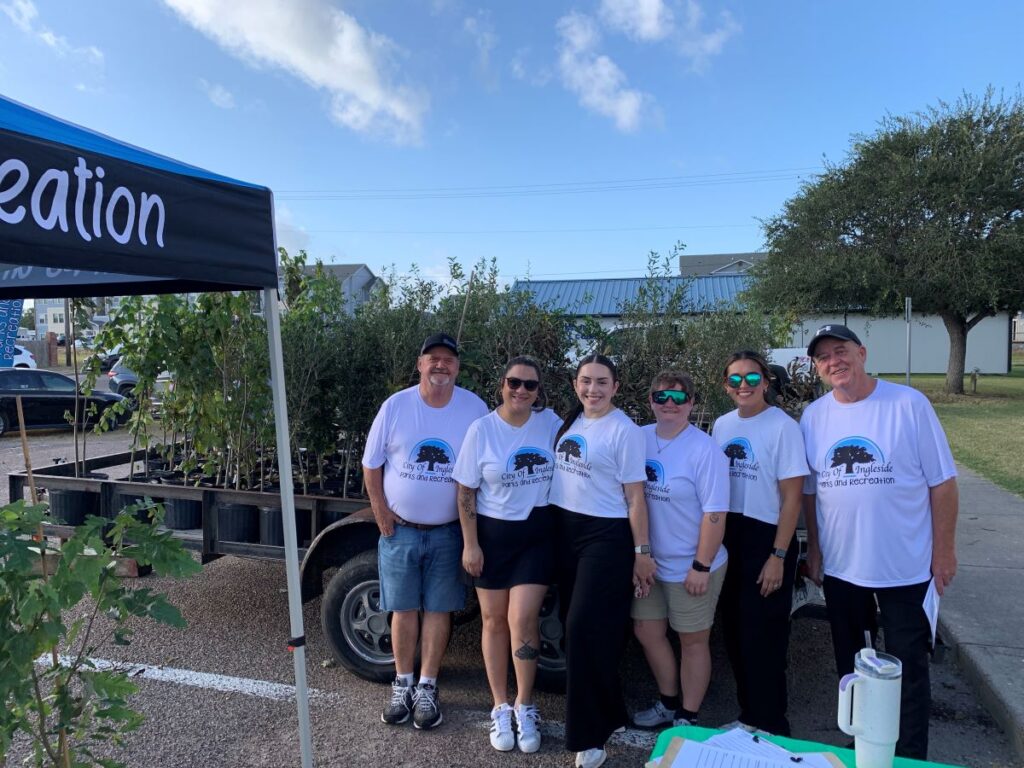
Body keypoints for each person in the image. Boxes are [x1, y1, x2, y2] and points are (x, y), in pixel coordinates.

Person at [800, 324, 958, 760]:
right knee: (853, 668)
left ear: (863, 353)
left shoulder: (908, 404)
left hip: (905, 567)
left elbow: (943, 483)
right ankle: (865, 743)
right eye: (823, 357)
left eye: (841, 350)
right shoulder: (814, 416)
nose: (834, 361)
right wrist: (814, 549)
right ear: (816, 367)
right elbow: (811, 492)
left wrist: (943, 551)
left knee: (907, 669)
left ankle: (908, 755)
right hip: (843, 568)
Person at [362, 332, 488, 730]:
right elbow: (371, 464)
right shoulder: (396, 406)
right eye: (432, 358)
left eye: (448, 360)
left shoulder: (474, 408)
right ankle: (403, 683)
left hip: (450, 532)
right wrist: (381, 512)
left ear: (457, 368)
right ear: (419, 364)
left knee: (438, 609)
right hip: (400, 530)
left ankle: (428, 686)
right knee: (402, 608)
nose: (440, 365)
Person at [549, 354, 656, 768]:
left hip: (604, 537)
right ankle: (609, 712)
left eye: (601, 382)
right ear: (575, 384)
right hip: (565, 532)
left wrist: (641, 552)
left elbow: (634, 497)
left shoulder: (624, 431)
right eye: (585, 381)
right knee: (580, 631)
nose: (592, 389)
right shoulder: (572, 421)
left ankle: (589, 736)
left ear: (615, 386)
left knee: (582, 628)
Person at [453, 356, 562, 754]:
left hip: (536, 534)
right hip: (492, 536)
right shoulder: (481, 430)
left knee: (522, 618)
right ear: (502, 385)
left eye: (530, 386)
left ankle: (525, 703)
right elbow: (465, 491)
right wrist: (470, 543)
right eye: (514, 383)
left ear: (538, 392)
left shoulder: (551, 424)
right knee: (493, 620)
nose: (521, 391)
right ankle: (499, 704)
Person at [712, 351, 808, 736]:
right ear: (726, 386)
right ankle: (749, 715)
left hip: (767, 538)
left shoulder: (783, 427)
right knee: (734, 632)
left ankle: (772, 723)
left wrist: (778, 556)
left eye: (752, 378)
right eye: (735, 380)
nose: (744, 386)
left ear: (766, 382)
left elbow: (793, 499)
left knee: (764, 638)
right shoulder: (721, 425)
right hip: (728, 535)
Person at [631, 372, 730, 731]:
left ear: (691, 403)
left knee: (692, 641)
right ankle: (669, 702)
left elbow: (715, 514)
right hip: (649, 563)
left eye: (678, 397)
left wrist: (701, 566)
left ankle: (688, 716)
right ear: (650, 401)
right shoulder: (637, 438)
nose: (669, 403)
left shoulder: (705, 450)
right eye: (661, 397)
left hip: (692, 563)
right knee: (646, 630)